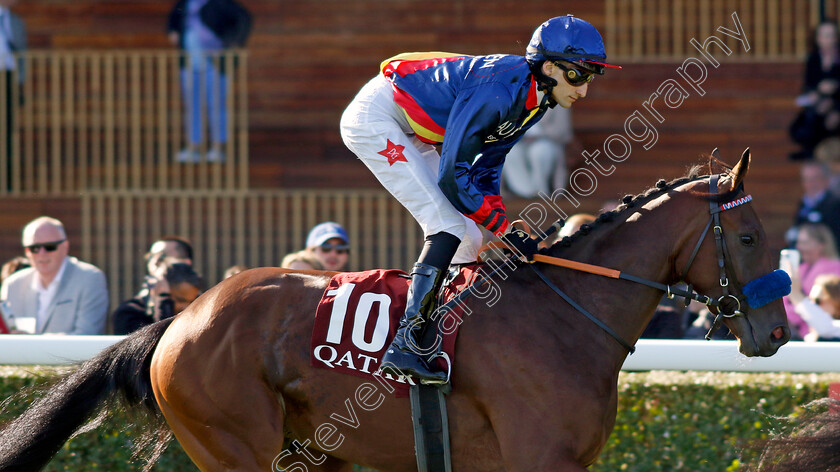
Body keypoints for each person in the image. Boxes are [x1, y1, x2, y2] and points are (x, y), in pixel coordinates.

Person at [340, 15, 618, 382]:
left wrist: (500, 221)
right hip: (378, 117)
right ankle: (406, 344)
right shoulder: (500, 90)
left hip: (415, 128)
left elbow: (487, 166)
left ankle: (443, 337)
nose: (583, 90)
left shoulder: (537, 98)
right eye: (578, 76)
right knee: (448, 225)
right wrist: (502, 229)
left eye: (589, 79)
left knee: (469, 237)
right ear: (550, 66)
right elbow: (453, 176)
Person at [167, 0, 252, 163]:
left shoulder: (220, 3)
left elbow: (243, 18)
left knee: (217, 105)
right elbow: (174, 16)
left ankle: (218, 147)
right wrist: (172, 30)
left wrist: (232, 43)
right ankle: (194, 147)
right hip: (190, 64)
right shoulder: (184, 3)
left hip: (216, 64)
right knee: (192, 107)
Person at [0, 216, 109, 334]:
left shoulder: (90, 279)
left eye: (50, 247)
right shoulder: (13, 284)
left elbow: (86, 335)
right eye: (34, 248)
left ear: (65, 246)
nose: (42, 254)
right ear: (27, 252)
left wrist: (33, 342)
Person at [790, 20, 840, 160]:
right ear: (818, 38)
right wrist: (817, 91)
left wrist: (835, 105)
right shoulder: (814, 59)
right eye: (824, 36)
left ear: (836, 38)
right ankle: (810, 152)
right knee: (802, 125)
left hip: (836, 105)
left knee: (828, 118)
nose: (828, 40)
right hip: (817, 104)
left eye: (831, 35)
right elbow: (808, 86)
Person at [782, 223, 840, 339]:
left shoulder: (835, 269)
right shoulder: (801, 268)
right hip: (801, 333)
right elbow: (786, 299)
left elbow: (830, 304)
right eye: (798, 242)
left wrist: (792, 310)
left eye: (805, 243)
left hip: (825, 334)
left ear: (821, 245)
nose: (799, 247)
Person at [113, 261, 203, 335]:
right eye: (180, 300)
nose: (186, 307)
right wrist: (163, 302)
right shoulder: (128, 314)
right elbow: (162, 343)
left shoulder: (195, 318)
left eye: (192, 301)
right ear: (157, 289)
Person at [502, 106, 573, 198]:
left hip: (547, 141)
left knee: (539, 151)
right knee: (510, 153)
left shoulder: (558, 100)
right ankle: (525, 192)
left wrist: (539, 136)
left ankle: (541, 190)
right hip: (518, 142)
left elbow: (563, 132)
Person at [0, 0, 26, 185]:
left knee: (7, 130)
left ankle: (6, 181)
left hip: (9, 78)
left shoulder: (16, 21)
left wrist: (20, 82)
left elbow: (23, 53)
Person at [786, 160, 840, 247]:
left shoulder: (835, 204)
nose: (810, 184)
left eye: (815, 179)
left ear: (826, 179)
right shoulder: (804, 203)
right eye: (806, 179)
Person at [786, 273, 840, 341]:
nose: (812, 305)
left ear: (837, 301)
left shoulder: (831, 328)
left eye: (817, 301)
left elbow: (827, 328)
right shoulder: (809, 337)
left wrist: (795, 294)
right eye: (809, 300)